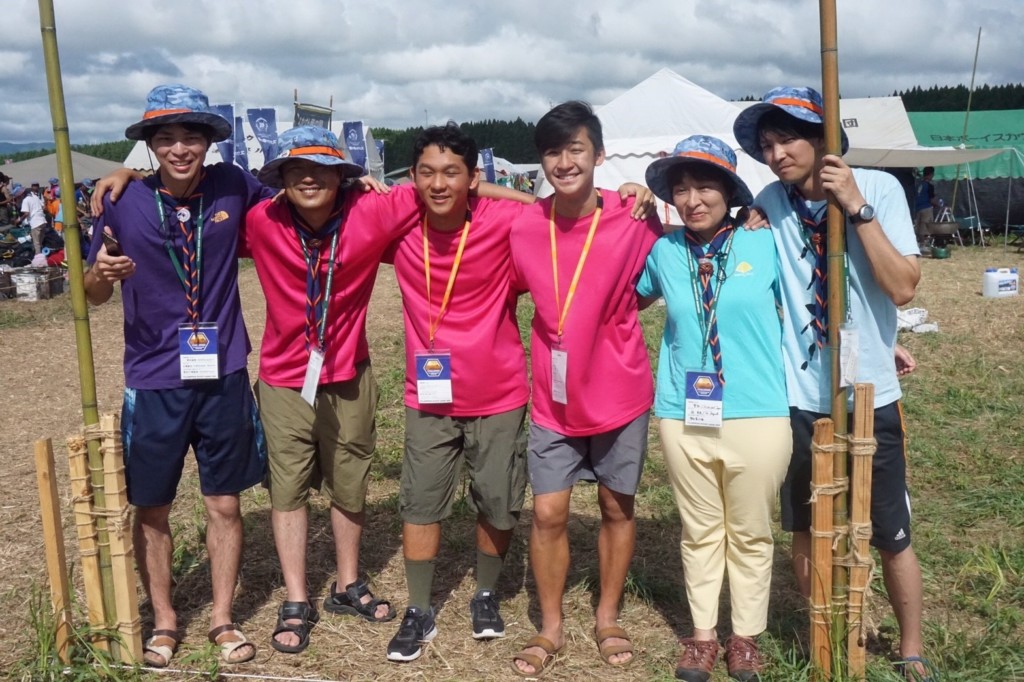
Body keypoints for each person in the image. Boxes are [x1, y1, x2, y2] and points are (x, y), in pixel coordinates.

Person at [734, 86, 931, 681]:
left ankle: (912, 647)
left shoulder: (879, 188)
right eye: (767, 145)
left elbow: (903, 288)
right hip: (800, 398)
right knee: (806, 523)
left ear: (822, 139)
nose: (776, 155)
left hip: (870, 393)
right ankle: (824, 631)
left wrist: (856, 207)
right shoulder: (771, 201)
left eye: (787, 140)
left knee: (890, 530)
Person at [84, 84, 272, 668]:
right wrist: (101, 274)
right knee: (152, 507)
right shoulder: (122, 199)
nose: (180, 148)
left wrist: (357, 182)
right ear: (150, 146)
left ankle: (222, 617)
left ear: (209, 142)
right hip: (153, 377)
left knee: (225, 504)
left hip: (223, 373)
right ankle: (164, 620)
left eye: (191, 136)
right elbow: (90, 294)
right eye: (165, 138)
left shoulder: (234, 184)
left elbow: (301, 195)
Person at [241, 125, 417, 654]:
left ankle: (347, 583)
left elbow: (452, 184)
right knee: (287, 489)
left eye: (322, 168)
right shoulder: (261, 219)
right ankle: (297, 597)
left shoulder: (373, 210)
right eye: (296, 169)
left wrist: (569, 200)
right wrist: (128, 174)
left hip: (349, 375)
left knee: (350, 482)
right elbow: (196, 201)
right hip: (283, 379)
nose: (308, 178)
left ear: (343, 175)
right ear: (281, 178)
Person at [509, 101, 662, 676]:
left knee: (616, 506)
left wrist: (753, 217)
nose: (564, 162)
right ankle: (550, 625)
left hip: (620, 390)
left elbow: (686, 247)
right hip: (553, 398)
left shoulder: (635, 215)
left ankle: (607, 615)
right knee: (547, 512)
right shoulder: (526, 224)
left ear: (599, 155)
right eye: (552, 152)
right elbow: (476, 197)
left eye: (576, 149)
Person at [636, 135, 791, 682]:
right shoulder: (664, 252)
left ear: (730, 192)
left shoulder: (766, 242)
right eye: (680, 189)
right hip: (684, 413)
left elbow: (813, 306)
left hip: (759, 411)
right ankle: (703, 637)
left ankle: (744, 637)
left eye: (704, 186)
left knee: (750, 531)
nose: (692, 199)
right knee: (699, 529)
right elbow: (622, 297)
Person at [912, 167, 940, 241]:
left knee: (918, 227)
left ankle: (918, 242)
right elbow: (932, 200)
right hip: (926, 208)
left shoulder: (918, 184)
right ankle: (924, 243)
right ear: (931, 174)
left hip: (917, 208)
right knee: (925, 228)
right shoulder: (929, 186)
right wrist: (939, 205)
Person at [20, 182, 48, 254]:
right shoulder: (36, 197)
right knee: (40, 242)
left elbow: (26, 213)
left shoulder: (26, 200)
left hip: (35, 223)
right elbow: (43, 207)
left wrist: (19, 220)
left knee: (36, 243)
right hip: (43, 221)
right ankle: (42, 255)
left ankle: (38, 257)